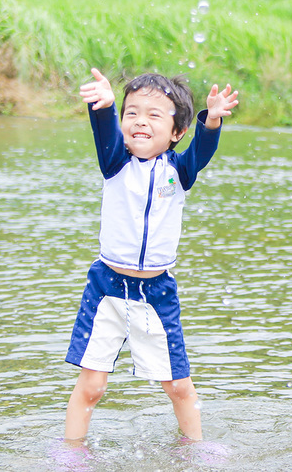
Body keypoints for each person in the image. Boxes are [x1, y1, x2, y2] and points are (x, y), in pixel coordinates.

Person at [63, 68, 239, 442]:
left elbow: (202, 149)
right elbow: (105, 132)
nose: (140, 121)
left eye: (154, 115)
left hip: (156, 293)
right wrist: (105, 108)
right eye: (132, 113)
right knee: (92, 387)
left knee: (178, 387)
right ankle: (71, 454)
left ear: (176, 132)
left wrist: (211, 120)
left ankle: (193, 450)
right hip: (105, 289)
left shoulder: (179, 171)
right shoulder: (116, 163)